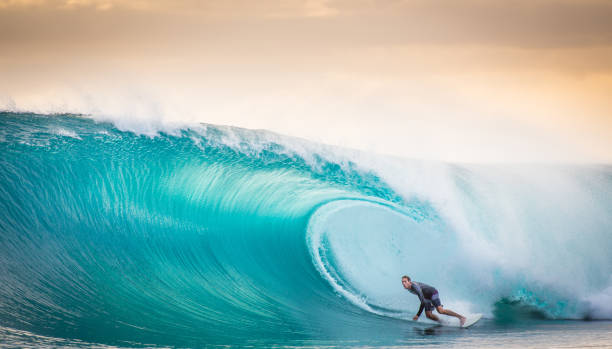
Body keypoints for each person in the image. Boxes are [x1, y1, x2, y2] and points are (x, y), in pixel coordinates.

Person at [401, 275, 466, 326]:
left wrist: (417, 315)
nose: (403, 283)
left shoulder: (415, 287)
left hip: (432, 293)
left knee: (440, 310)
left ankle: (461, 317)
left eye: (405, 281)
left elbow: (422, 301)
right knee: (428, 315)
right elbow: (423, 299)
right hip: (426, 297)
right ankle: (443, 322)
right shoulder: (409, 288)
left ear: (409, 281)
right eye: (402, 282)